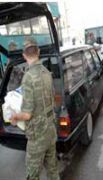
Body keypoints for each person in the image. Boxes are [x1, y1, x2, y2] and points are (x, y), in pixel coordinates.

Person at [10, 37, 60, 180]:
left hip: (37, 136)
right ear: (38, 52)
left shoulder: (28, 78)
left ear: (24, 55)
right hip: (50, 130)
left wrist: (14, 117)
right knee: (53, 170)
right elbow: (52, 99)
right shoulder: (46, 72)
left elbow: (26, 114)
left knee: (33, 175)